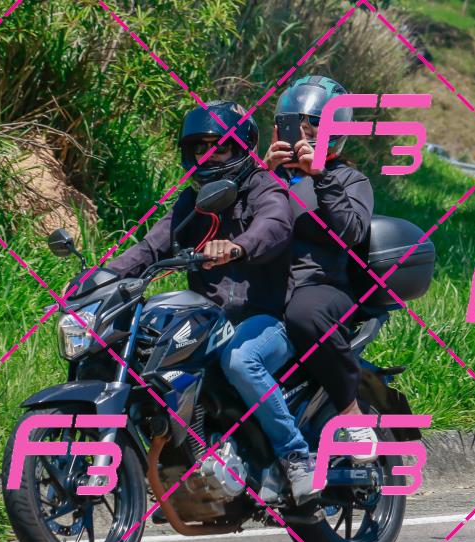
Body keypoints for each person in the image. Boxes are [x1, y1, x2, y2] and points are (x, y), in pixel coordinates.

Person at [107, 101, 321, 505]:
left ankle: (295, 456)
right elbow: (150, 248)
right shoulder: (193, 204)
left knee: (241, 360)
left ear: (240, 147)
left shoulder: (264, 187)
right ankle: (180, 468)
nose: (209, 155)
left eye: (219, 147)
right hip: (212, 321)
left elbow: (274, 226)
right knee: (151, 359)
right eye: (200, 147)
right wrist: (100, 278)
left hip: (268, 319)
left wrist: (239, 247)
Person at [264, 75, 379, 463]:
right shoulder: (266, 175)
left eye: (315, 126)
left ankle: (349, 411)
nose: (304, 134)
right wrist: (261, 175)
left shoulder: (349, 179)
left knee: (304, 313)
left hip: (321, 286)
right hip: (266, 284)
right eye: (295, 124)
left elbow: (351, 232)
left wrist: (320, 177)